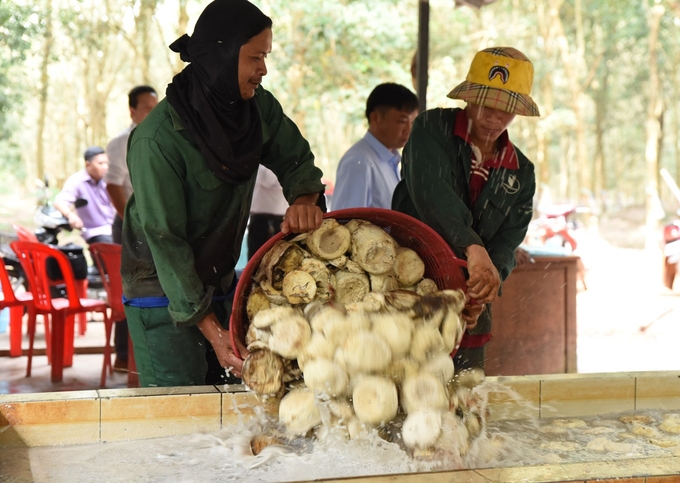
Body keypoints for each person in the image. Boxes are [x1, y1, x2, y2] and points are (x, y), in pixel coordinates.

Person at [120, 0, 325, 388]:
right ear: (221, 56)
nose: (263, 69)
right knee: (180, 415)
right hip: (162, 290)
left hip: (217, 279)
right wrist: (213, 333)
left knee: (232, 408)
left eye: (265, 56)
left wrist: (304, 200)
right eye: (254, 58)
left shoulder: (254, 108)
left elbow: (297, 160)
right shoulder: (158, 141)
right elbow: (167, 242)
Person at [392, 46, 539, 371]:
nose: (494, 117)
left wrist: (484, 289)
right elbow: (432, 196)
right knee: (400, 391)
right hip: (407, 288)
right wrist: (472, 247)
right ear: (469, 97)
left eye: (507, 109)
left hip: (468, 315)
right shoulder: (431, 129)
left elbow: (507, 242)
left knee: (465, 401)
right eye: (486, 104)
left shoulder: (520, 172)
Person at [104, 85, 159, 373]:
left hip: (152, 225)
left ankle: (148, 353)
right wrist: (130, 222)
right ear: (132, 111)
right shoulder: (121, 142)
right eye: (148, 108)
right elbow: (113, 185)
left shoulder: (160, 138)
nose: (154, 112)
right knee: (129, 288)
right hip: (129, 224)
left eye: (156, 106)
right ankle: (123, 355)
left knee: (153, 288)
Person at [332, 83, 418, 210]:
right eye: (402, 121)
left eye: (412, 122)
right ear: (375, 118)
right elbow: (346, 221)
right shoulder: (359, 161)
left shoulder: (391, 160)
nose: (408, 130)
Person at [54, 146, 115, 245]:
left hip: (114, 228)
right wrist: (71, 215)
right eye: (100, 163)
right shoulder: (77, 181)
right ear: (88, 164)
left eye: (106, 163)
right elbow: (59, 202)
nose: (105, 167)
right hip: (95, 232)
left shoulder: (109, 180)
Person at [247, 165, 288, 260]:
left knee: (279, 259)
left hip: (279, 221)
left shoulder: (263, 167)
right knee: (255, 260)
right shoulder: (259, 166)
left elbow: (267, 179)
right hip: (260, 220)